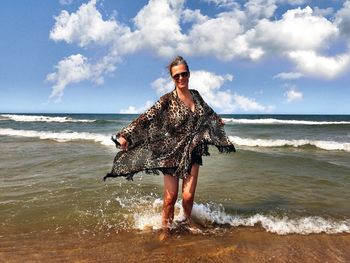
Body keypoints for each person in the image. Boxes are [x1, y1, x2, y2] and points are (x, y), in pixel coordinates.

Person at [105, 56, 235, 240]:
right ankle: (165, 230)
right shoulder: (167, 100)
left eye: (184, 74)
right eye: (176, 76)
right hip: (171, 152)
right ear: (172, 78)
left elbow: (207, 111)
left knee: (188, 196)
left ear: (189, 74)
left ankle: (185, 221)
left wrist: (216, 120)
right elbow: (146, 117)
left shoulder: (196, 95)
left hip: (193, 150)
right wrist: (125, 134)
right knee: (170, 198)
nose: (181, 78)